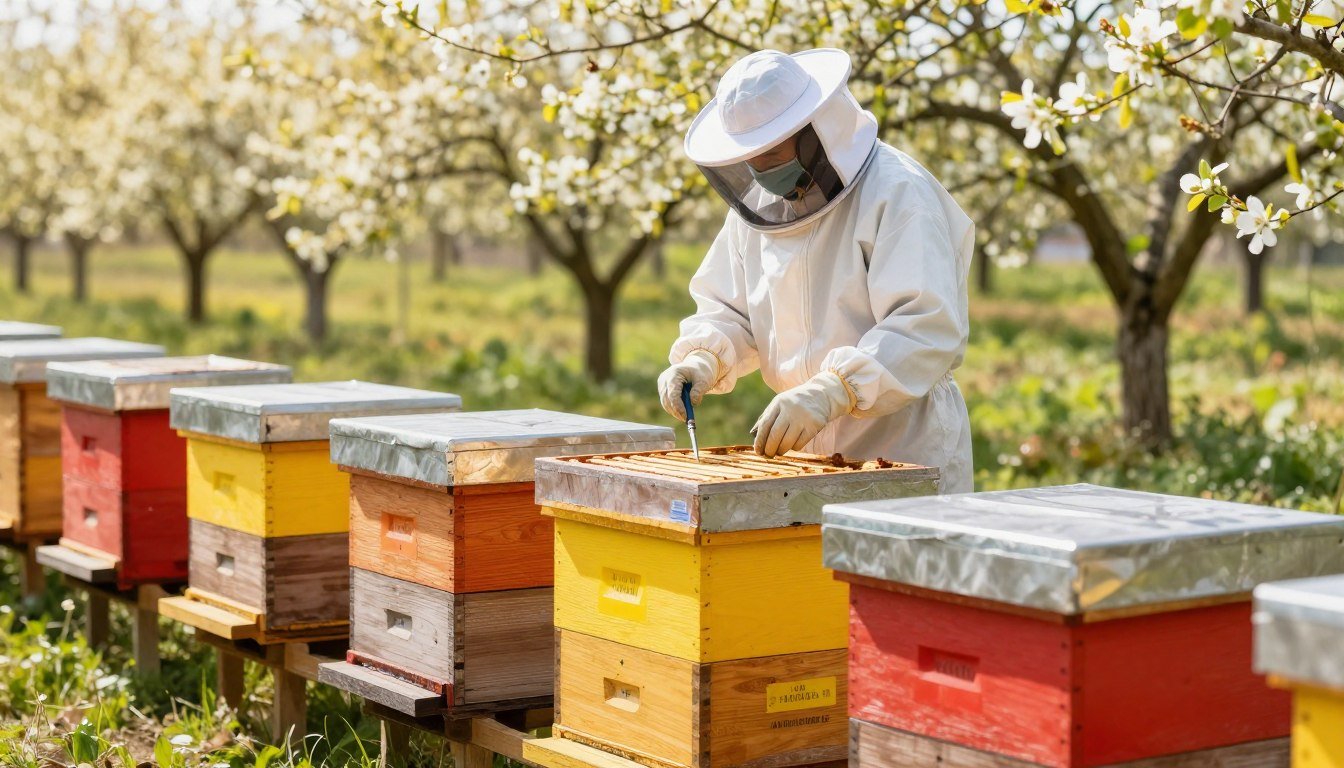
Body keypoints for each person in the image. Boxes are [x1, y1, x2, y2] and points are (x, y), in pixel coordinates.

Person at [657, 48, 974, 493]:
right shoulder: (759, 210)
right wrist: (703, 358)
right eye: (751, 156)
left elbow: (925, 325)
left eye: (772, 151)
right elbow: (732, 307)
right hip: (804, 450)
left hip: (903, 442)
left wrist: (834, 390)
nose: (760, 170)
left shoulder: (897, 191)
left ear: (813, 131)